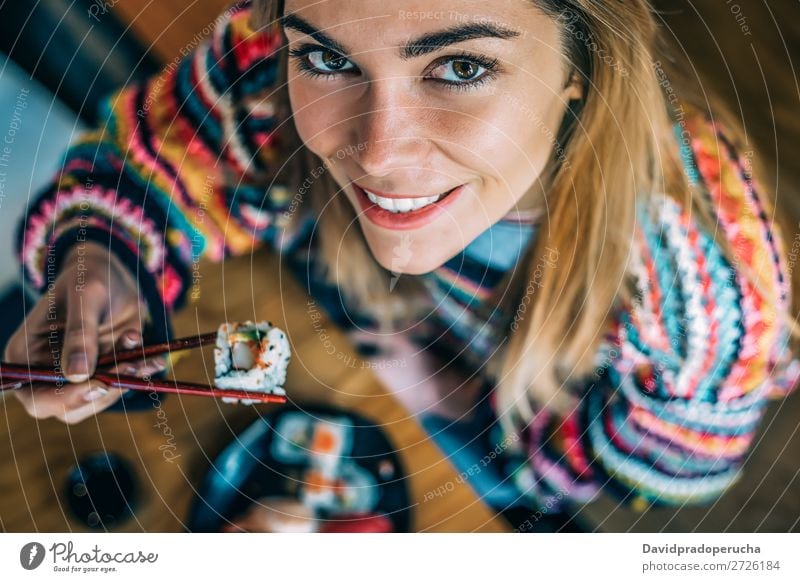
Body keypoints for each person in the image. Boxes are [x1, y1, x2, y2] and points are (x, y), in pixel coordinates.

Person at [6, 0, 800, 528]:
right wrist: (103, 256)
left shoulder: (712, 297)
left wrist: (459, 405)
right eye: (326, 60)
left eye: (460, 68)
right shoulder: (279, 47)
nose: (379, 157)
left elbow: (663, 467)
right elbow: (161, 157)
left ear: (582, 68)